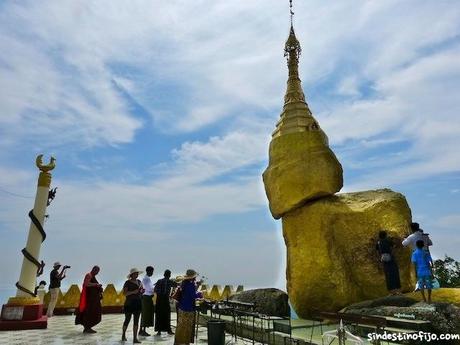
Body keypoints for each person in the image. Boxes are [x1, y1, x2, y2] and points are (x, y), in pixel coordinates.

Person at [174, 269, 203, 345]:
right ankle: (185, 342)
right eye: (195, 277)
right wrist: (200, 294)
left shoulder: (184, 283)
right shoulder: (190, 284)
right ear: (192, 277)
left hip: (181, 307)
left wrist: (197, 286)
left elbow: (189, 293)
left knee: (180, 326)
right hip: (188, 309)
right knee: (187, 327)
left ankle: (177, 342)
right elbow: (193, 295)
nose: (195, 278)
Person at [75, 266, 103, 333]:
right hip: (89, 299)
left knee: (93, 312)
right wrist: (96, 284)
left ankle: (88, 327)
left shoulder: (92, 276)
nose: (97, 273)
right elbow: (86, 284)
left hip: (93, 299)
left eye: (98, 272)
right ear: (94, 269)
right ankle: (87, 328)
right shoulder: (89, 275)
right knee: (89, 312)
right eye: (97, 271)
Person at [376, 231, 402, 295]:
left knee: (388, 275)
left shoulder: (378, 242)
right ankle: (398, 290)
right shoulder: (388, 240)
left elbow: (377, 251)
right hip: (391, 258)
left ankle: (391, 292)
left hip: (383, 259)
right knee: (395, 273)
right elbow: (394, 246)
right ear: (385, 235)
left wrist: (380, 257)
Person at [122, 268, 144, 344]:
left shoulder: (139, 282)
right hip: (129, 304)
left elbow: (140, 291)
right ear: (131, 275)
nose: (137, 275)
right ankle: (123, 335)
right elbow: (125, 293)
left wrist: (141, 291)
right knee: (127, 320)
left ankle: (135, 338)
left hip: (138, 303)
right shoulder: (127, 283)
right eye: (135, 273)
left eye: (137, 273)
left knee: (136, 321)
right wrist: (133, 292)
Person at [154, 269, 177, 335]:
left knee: (159, 315)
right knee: (167, 315)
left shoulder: (159, 281)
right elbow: (177, 284)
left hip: (159, 300)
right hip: (165, 299)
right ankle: (168, 330)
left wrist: (160, 293)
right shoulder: (170, 281)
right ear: (169, 275)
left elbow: (155, 290)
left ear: (164, 274)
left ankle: (159, 331)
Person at [139, 266, 155, 337]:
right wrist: (154, 289)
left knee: (144, 314)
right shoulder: (146, 279)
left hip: (146, 298)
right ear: (148, 271)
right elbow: (149, 289)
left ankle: (141, 330)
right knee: (145, 314)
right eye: (152, 271)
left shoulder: (146, 279)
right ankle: (143, 331)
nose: (152, 273)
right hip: (146, 298)